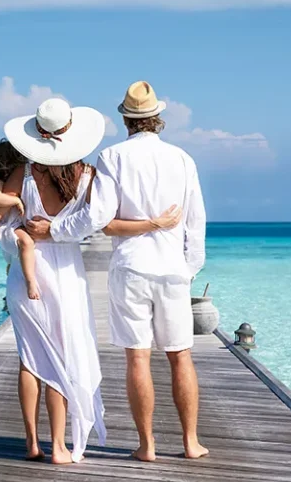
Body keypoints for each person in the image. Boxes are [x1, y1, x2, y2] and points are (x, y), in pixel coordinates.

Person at [0, 97, 181, 465]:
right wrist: (154, 223)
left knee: (30, 359)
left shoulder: (21, 175)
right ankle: (60, 446)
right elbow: (102, 221)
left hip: (26, 276)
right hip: (67, 274)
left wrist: (20, 238)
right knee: (63, 354)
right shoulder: (89, 177)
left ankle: (32, 441)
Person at [28, 81, 208, 462]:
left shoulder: (113, 157)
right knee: (181, 356)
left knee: (138, 358)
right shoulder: (182, 159)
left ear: (125, 119)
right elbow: (196, 221)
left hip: (131, 267)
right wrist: (189, 268)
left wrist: (56, 231)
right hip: (174, 269)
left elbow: (98, 216)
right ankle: (191, 442)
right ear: (157, 118)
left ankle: (148, 446)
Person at [0, 139, 40, 299]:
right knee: (26, 243)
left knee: (17, 258)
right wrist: (15, 200)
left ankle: (15, 285)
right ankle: (30, 283)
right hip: (9, 227)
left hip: (14, 226)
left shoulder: (21, 182)